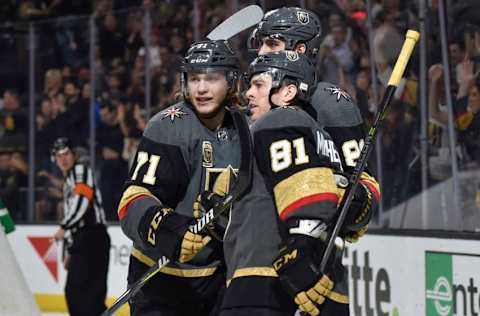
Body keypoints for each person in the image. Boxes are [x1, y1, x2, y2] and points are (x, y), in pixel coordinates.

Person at [118, 39, 243, 315]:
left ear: (232, 81)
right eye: (194, 78)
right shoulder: (169, 126)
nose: (200, 88)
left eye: (211, 78)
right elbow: (133, 199)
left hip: (216, 279)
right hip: (159, 278)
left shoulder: (244, 129)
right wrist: (168, 228)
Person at [221, 51, 346, 316]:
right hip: (324, 284)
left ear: (288, 92)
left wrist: (299, 251)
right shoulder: (321, 136)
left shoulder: (279, 120)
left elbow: (308, 193)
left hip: (269, 281)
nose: (248, 94)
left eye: (259, 85)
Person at [248, 6, 380, 244]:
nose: (260, 52)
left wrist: (345, 200)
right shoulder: (256, 95)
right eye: (260, 43)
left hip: (307, 247)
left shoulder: (330, 103)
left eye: (271, 44)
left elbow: (365, 186)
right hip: (253, 244)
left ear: (299, 50)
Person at [51, 137, 110, 316]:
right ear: (54, 159)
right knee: (81, 294)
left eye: (66, 153)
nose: (63, 159)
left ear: (73, 155)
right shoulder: (69, 180)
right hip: (83, 240)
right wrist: (70, 249)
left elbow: (81, 202)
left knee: (83, 294)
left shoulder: (80, 171)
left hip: (92, 238)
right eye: (59, 155)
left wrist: (64, 226)